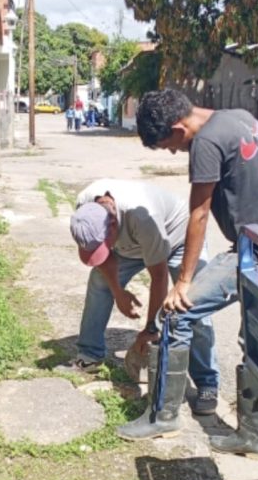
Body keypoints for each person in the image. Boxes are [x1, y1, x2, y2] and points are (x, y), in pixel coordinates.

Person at [117, 89, 258, 457]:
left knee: (174, 315)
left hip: (256, 253)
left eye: (167, 143)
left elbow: (198, 214)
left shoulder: (205, 142)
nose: (171, 151)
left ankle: (163, 417)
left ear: (178, 126)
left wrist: (182, 282)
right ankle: (252, 436)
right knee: (257, 339)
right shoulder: (238, 116)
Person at [69, 178, 219, 416]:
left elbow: (158, 276)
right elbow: (103, 259)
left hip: (175, 237)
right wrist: (118, 292)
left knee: (193, 304)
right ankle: (89, 356)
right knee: (99, 283)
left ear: (114, 224)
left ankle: (207, 383)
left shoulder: (143, 215)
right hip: (130, 244)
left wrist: (151, 329)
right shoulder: (85, 209)